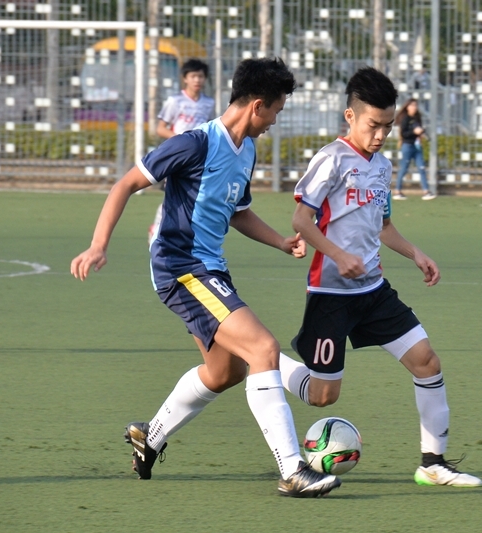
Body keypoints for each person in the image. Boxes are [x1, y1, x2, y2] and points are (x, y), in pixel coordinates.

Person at [70, 57, 341, 498]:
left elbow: (238, 212)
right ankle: (292, 469)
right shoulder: (194, 144)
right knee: (263, 347)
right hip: (181, 269)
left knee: (223, 372)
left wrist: (279, 241)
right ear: (257, 106)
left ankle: (150, 436)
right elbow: (125, 185)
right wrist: (99, 244)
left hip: (209, 270)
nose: (276, 120)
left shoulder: (247, 150)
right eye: (276, 111)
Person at [279, 67, 482, 488]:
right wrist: (337, 254)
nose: (381, 135)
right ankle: (262, 363)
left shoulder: (383, 166)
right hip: (330, 293)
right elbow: (301, 218)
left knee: (426, 361)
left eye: (388, 127)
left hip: (373, 291)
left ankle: (433, 463)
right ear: (350, 117)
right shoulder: (330, 159)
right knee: (322, 397)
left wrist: (415, 253)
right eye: (374, 125)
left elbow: (383, 226)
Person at [147, 59, 216, 244]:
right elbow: (160, 128)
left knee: (197, 196)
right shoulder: (175, 101)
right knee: (173, 194)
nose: (197, 80)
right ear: (185, 78)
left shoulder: (209, 103)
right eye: (193, 76)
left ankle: (191, 237)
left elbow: (211, 129)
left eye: (201, 76)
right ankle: (156, 228)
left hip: (199, 157)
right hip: (178, 156)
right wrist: (180, 141)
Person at [393, 98, 434, 200]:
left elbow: (419, 129)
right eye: (412, 105)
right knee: (404, 168)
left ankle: (426, 191)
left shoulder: (417, 118)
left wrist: (422, 133)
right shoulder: (405, 119)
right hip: (407, 146)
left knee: (422, 168)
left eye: (415, 105)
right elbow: (404, 134)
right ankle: (397, 191)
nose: (414, 108)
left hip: (417, 146)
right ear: (407, 107)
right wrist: (413, 132)